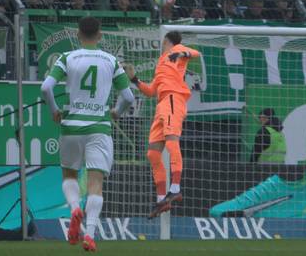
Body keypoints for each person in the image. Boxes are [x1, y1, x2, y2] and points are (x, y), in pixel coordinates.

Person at [40, 16, 134, 251]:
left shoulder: (68, 57)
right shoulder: (111, 60)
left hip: (71, 124)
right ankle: (90, 234)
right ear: (100, 35)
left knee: (69, 175)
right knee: (96, 184)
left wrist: (54, 110)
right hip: (99, 127)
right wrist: (116, 112)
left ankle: (74, 209)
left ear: (78, 35)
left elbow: (46, 87)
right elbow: (129, 97)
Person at [124, 31, 201, 219]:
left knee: (172, 141)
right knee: (152, 153)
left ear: (166, 41)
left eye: (162, 42)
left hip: (174, 99)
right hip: (162, 104)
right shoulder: (161, 63)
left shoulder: (177, 49)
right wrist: (134, 80)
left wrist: (181, 53)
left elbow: (196, 53)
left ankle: (175, 188)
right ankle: (161, 199)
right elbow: (151, 91)